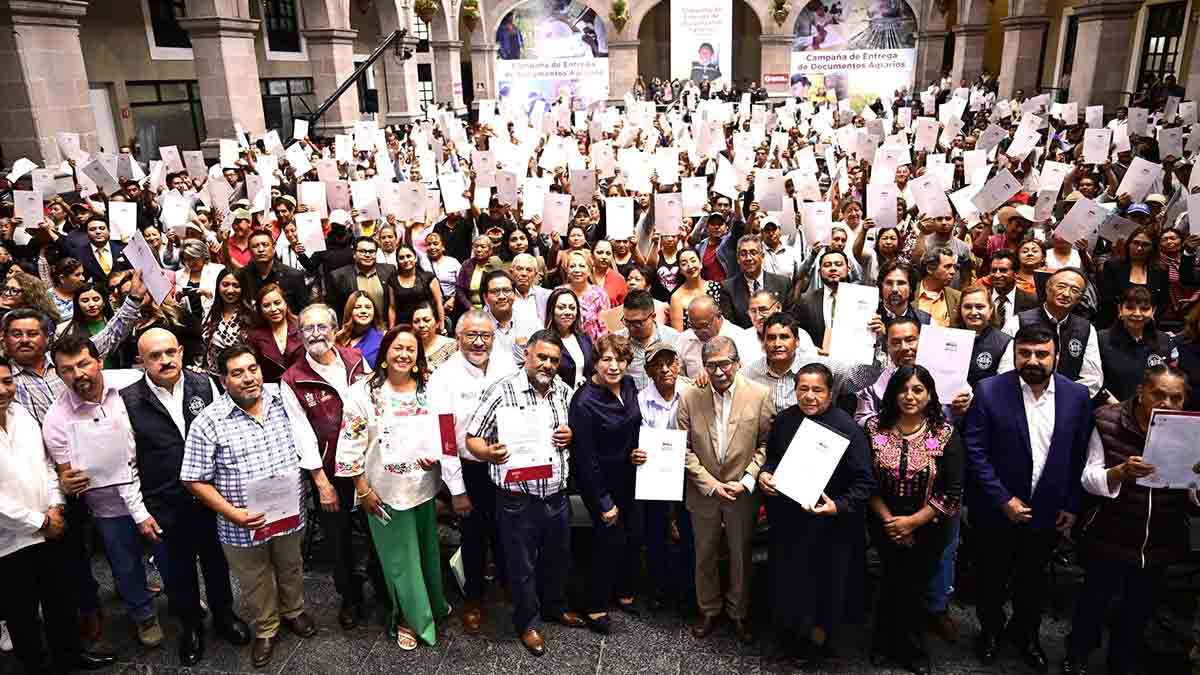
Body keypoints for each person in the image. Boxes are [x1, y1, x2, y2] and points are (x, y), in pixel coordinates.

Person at [181, 345, 328, 667]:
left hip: (289, 512)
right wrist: (233, 514)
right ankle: (267, 628)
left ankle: (294, 611)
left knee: (291, 565)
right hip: (241, 522)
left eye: (253, 369)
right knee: (255, 578)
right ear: (223, 380)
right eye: (237, 373)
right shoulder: (209, 422)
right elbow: (193, 479)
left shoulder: (282, 401)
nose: (249, 378)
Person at [964, 324, 1093, 670]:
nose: (1032, 360)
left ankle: (1027, 635)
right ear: (1015, 354)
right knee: (991, 577)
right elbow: (975, 451)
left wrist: (1071, 505)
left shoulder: (1077, 396)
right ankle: (989, 632)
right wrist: (1003, 499)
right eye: (1025, 353)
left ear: (1057, 356)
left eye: (1042, 354)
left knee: (1033, 580)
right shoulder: (989, 390)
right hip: (997, 508)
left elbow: (1079, 454)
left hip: (1048, 510)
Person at [120, 329, 251, 665]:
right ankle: (191, 626)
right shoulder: (127, 401)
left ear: (180, 351)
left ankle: (224, 616)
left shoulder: (203, 385)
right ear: (141, 361)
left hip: (209, 495)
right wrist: (139, 512)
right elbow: (126, 462)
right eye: (155, 356)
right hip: (164, 500)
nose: (165, 360)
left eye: (169, 352)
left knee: (217, 562)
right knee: (177, 571)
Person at [338, 326, 467, 650]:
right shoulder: (362, 393)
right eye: (397, 348)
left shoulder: (430, 390)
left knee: (426, 553)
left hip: (423, 488)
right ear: (384, 354)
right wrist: (363, 489)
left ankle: (432, 605)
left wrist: (439, 459)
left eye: (411, 349)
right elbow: (350, 443)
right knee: (400, 561)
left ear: (418, 357)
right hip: (383, 494)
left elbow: (446, 433)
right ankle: (410, 618)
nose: (404, 354)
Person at [1063, 365, 1192, 675]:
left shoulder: (1191, 431)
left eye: (1176, 398)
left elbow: (1194, 498)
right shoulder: (1108, 421)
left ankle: (1122, 660)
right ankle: (1077, 654)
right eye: (1158, 395)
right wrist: (1120, 472)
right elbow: (1088, 478)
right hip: (1111, 530)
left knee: (1139, 608)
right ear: (1141, 392)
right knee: (1094, 601)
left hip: (1159, 537)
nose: (1167, 404)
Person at [465, 329, 583, 656]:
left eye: (554, 360)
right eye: (541, 357)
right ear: (527, 355)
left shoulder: (563, 391)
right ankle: (527, 623)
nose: (547, 364)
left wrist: (570, 433)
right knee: (522, 566)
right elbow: (472, 437)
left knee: (558, 559)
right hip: (518, 499)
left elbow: (574, 431)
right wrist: (488, 453)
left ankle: (555, 608)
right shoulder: (502, 391)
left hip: (556, 496)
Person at [42, 335, 164, 648]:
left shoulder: (132, 384)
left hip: (153, 493)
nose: (78, 374)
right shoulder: (57, 420)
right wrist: (66, 483)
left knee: (170, 553)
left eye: (84, 363)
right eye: (67, 369)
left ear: (99, 361)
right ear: (57, 373)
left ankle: (182, 597)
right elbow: (65, 472)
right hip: (108, 507)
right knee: (125, 566)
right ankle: (143, 616)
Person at [0, 354, 117, 674]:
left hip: (50, 526)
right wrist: (39, 521)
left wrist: (55, 506)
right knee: (21, 614)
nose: (3, 390)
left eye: (7, 381)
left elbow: (48, 465)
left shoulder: (21, 414)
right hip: (9, 542)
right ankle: (37, 667)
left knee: (60, 601)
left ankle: (70, 657)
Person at [758, 363, 873, 665]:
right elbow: (771, 459)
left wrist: (839, 505)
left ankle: (819, 644)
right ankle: (789, 637)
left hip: (828, 525)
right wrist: (766, 476)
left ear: (830, 392)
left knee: (824, 587)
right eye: (803, 389)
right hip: (788, 520)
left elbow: (864, 482)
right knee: (787, 580)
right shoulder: (784, 420)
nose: (809, 396)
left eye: (817, 390)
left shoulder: (847, 427)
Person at [864, 365, 964, 675]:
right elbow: (865, 481)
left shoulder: (942, 434)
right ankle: (882, 644)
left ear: (930, 394)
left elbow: (953, 489)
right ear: (892, 393)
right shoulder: (874, 429)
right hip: (884, 524)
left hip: (930, 528)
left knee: (915, 587)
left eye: (918, 390)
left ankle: (912, 650)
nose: (909, 396)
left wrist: (913, 522)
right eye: (903, 389)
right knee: (890, 581)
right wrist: (891, 522)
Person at [281, 305, 374, 631]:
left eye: (323, 326)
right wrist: (320, 481)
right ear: (300, 334)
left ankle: (383, 587)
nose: (316, 333)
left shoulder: (355, 359)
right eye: (308, 328)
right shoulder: (293, 378)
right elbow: (302, 434)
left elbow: (372, 404)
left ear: (335, 328)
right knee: (339, 539)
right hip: (330, 470)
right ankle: (349, 597)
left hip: (368, 464)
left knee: (378, 529)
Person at [678, 336, 775, 644]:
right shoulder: (691, 396)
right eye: (711, 365)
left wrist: (746, 480)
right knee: (704, 554)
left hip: (741, 492)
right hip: (702, 492)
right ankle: (708, 609)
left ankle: (738, 613)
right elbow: (683, 448)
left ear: (738, 363)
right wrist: (709, 484)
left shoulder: (759, 395)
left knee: (740, 555)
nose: (718, 372)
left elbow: (766, 445)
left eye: (724, 364)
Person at [426, 310, 517, 635]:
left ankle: (509, 586)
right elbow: (446, 437)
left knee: (508, 531)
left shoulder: (507, 365)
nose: (479, 342)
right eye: (471, 335)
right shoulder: (444, 377)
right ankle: (474, 598)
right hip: (470, 470)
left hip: (507, 464)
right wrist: (457, 489)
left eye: (486, 336)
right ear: (458, 337)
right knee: (475, 537)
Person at [569, 334, 643, 633]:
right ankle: (595, 603)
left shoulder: (628, 385)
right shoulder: (584, 401)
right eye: (607, 360)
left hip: (631, 477)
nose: (614, 366)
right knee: (606, 541)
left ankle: (623, 590)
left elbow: (634, 426)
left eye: (621, 359)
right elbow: (584, 459)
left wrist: (638, 451)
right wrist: (603, 501)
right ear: (595, 363)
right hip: (600, 482)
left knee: (631, 536)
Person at [634, 343, 695, 611]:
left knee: (688, 531)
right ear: (648, 370)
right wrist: (635, 453)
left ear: (678, 365)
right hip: (654, 474)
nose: (665, 368)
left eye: (670, 362)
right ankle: (657, 588)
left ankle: (686, 589)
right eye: (657, 364)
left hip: (688, 472)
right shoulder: (639, 399)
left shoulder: (693, 392)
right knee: (655, 532)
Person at [1001, 267, 1104, 398]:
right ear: (1048, 288)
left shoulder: (1086, 329)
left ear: (1079, 299)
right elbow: (1005, 370)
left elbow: (1092, 378)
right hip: (1021, 398)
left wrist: (1063, 399)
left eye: (1075, 290)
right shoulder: (1017, 323)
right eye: (1061, 286)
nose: (1066, 294)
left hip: (1067, 403)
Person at [1097, 286, 1175, 404]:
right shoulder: (1101, 339)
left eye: (1144, 309)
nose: (1137, 313)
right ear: (1120, 310)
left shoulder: (1164, 340)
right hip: (1112, 410)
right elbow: (1096, 382)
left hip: (1153, 409)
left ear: (1153, 311)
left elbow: (1170, 382)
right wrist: (1121, 408)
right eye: (1130, 308)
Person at [742, 313, 820, 410]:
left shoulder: (817, 367)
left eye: (784, 337)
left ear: (797, 341)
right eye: (771, 338)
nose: (777, 344)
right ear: (763, 343)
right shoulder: (748, 375)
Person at [719, 235, 791, 329]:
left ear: (762, 256)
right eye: (743, 254)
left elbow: (789, 319)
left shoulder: (782, 283)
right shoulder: (727, 288)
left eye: (753, 252)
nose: (748, 258)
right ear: (738, 259)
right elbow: (729, 326)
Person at [613, 289, 679, 390]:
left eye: (637, 323)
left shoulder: (673, 338)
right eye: (627, 322)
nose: (631, 327)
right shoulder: (617, 341)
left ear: (653, 317)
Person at [328, 236, 397, 325]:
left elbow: (395, 304)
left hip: (383, 329)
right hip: (353, 330)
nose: (367, 255)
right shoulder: (338, 276)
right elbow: (333, 308)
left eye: (372, 252)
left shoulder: (389, 271)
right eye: (363, 251)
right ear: (354, 254)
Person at [234, 229, 308, 313]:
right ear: (249, 251)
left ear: (273, 247)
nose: (261, 249)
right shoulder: (241, 276)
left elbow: (304, 312)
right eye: (255, 246)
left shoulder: (294, 276)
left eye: (265, 245)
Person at [245, 283, 304, 384]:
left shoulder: (303, 325)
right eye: (266, 305)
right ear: (260, 310)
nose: (273, 309)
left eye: (277, 303)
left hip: (304, 384)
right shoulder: (253, 336)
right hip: (274, 389)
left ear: (285, 303)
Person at [539, 288, 594, 390]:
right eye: (561, 307)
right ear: (552, 310)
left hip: (586, 399)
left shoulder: (584, 337)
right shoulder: (544, 342)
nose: (568, 312)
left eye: (572, 308)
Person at [958, 285, 1013, 387]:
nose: (973, 312)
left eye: (980, 307)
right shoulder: (948, 336)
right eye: (967, 307)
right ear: (960, 309)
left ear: (991, 309)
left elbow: (1004, 385)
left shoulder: (1005, 343)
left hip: (986, 401)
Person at [202, 267, 251, 373]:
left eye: (236, 286)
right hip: (213, 376)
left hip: (241, 375)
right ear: (218, 286)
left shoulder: (251, 315)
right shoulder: (210, 312)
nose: (230, 290)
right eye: (225, 285)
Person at [982, 250, 1038, 331]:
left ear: (1016, 273)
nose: (997, 275)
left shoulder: (1032, 301)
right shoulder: (981, 297)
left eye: (1003, 270)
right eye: (994, 270)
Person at [561, 249, 611, 341]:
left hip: (595, 347)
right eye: (572, 266)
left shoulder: (600, 294)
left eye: (582, 266)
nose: (577, 270)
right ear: (567, 270)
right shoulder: (559, 293)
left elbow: (606, 327)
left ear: (589, 270)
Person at [670, 247, 722, 332]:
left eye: (693, 261)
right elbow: (678, 335)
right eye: (684, 264)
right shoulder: (676, 297)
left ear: (701, 264)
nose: (690, 266)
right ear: (680, 270)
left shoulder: (716, 287)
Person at [174, 240, 225, 321]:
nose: (190, 263)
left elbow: (224, 298)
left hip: (212, 318)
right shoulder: (178, 274)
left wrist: (208, 294)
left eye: (193, 258)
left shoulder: (218, 270)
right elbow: (176, 305)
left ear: (203, 255)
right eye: (187, 259)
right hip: (188, 321)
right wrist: (178, 297)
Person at [334, 290, 386, 370]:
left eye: (368, 307)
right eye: (357, 307)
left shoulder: (383, 338)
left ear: (374, 311)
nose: (363, 311)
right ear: (349, 311)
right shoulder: (338, 338)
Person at [916, 247, 963, 328]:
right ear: (930, 269)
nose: (953, 272)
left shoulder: (957, 298)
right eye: (947, 266)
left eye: (954, 267)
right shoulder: (910, 293)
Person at [413, 301, 457, 371]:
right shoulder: (410, 347)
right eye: (416, 321)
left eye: (426, 320)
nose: (421, 325)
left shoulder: (453, 346)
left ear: (437, 323)